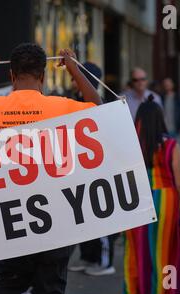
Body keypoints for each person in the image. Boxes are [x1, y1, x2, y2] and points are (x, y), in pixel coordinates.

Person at [0, 43, 101, 294]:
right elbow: (100, 110)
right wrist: (75, 70)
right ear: (42, 75)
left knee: (7, 290)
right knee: (50, 292)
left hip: (9, 221)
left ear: (11, 76)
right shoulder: (62, 107)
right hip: (57, 218)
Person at [124, 96, 180, 294]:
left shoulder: (131, 144)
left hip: (137, 201)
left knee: (137, 253)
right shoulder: (170, 145)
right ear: (160, 118)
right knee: (165, 253)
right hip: (166, 200)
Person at [67, 62, 118, 277]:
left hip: (99, 172)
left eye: (76, 76)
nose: (72, 81)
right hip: (82, 171)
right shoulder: (77, 100)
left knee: (102, 217)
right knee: (85, 216)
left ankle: (105, 262)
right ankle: (89, 257)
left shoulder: (101, 103)